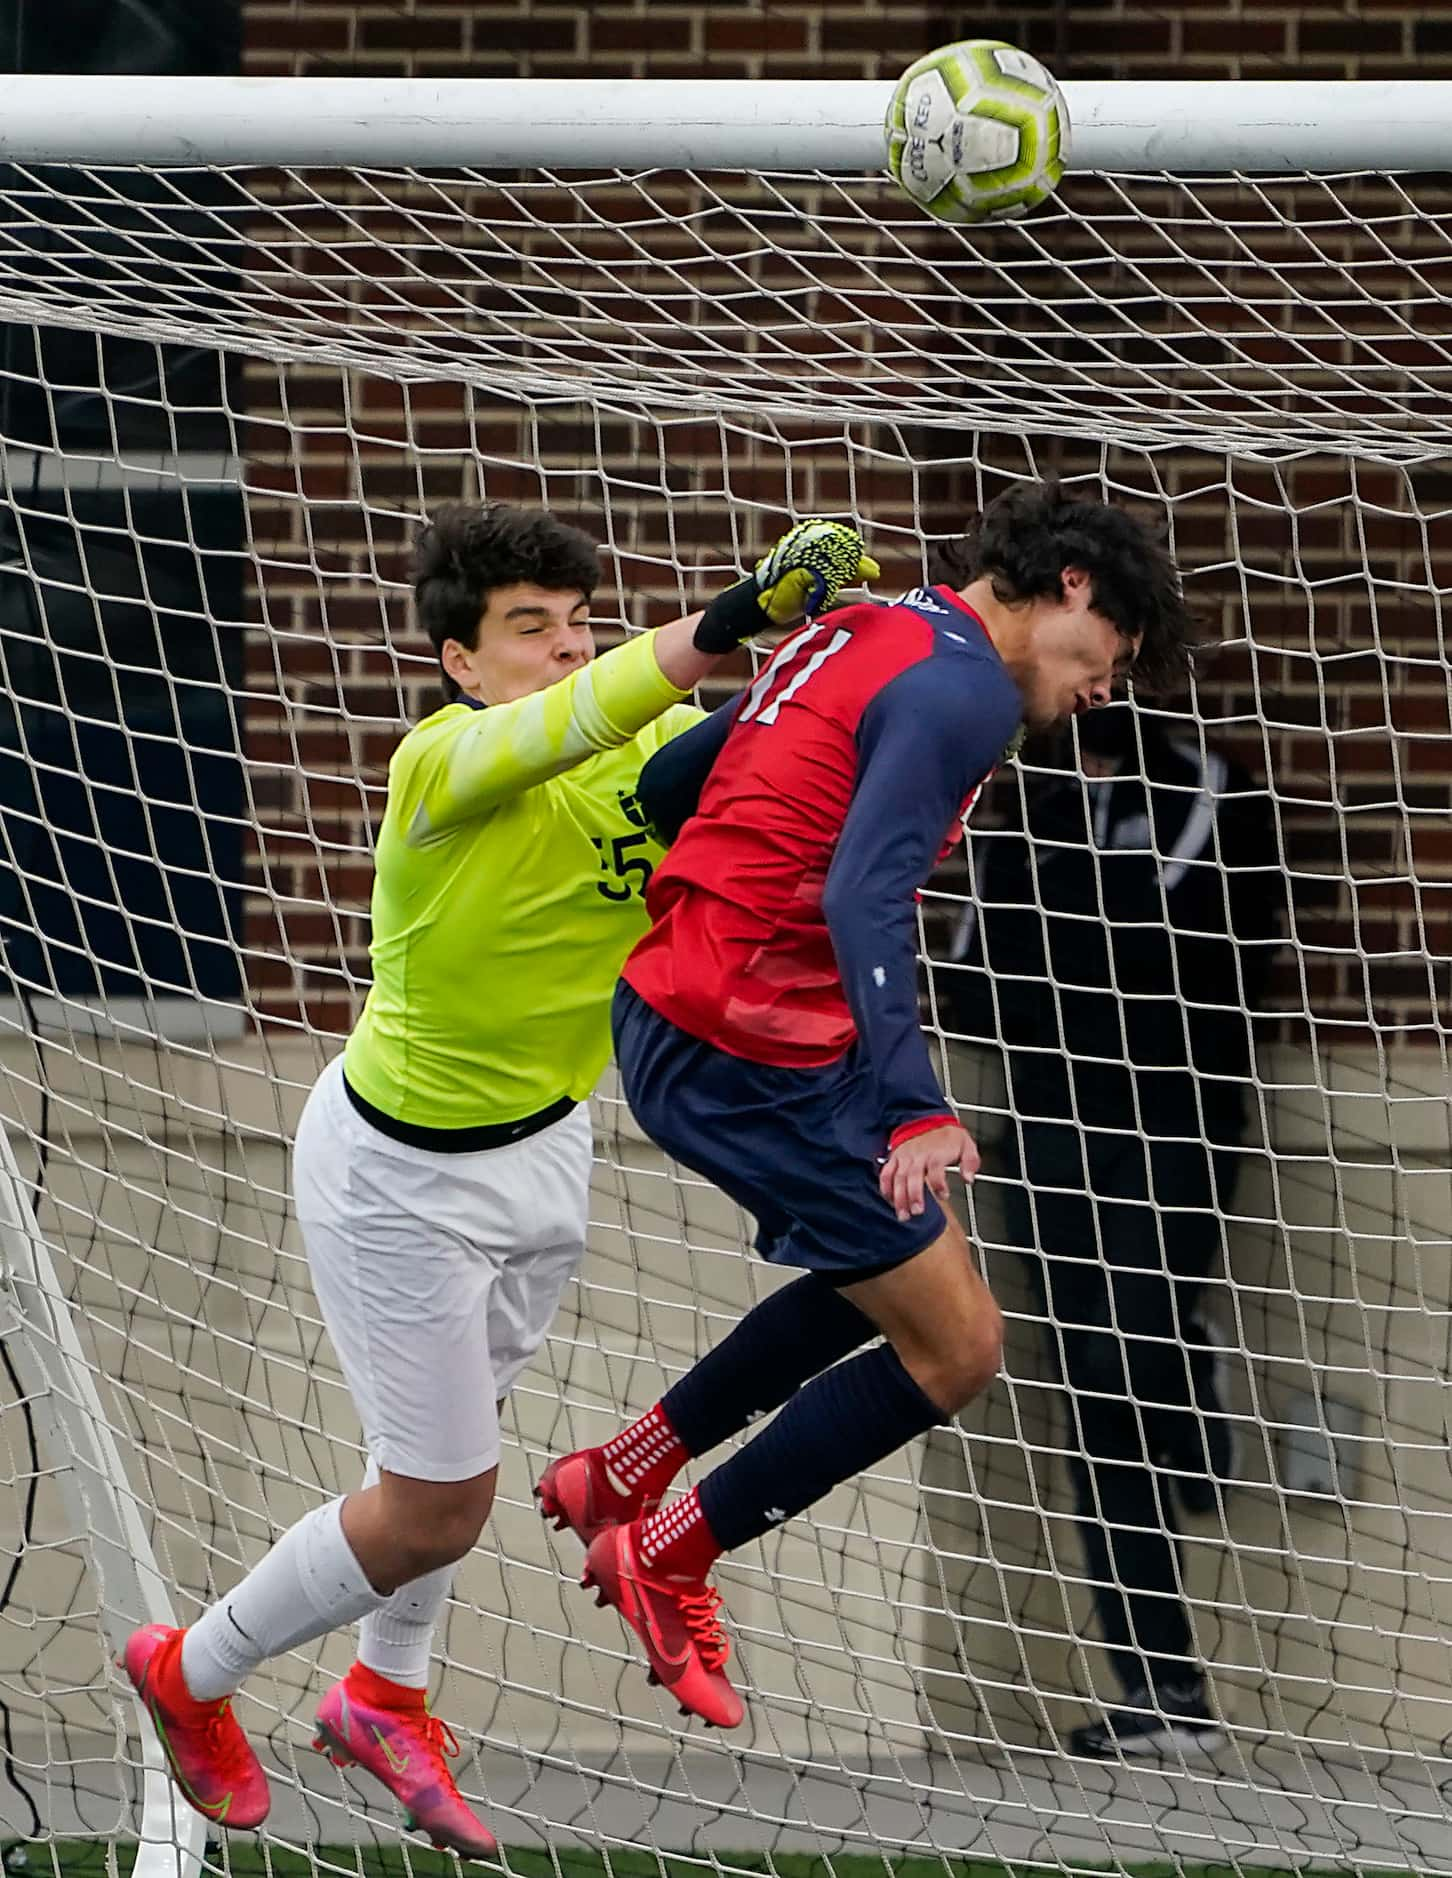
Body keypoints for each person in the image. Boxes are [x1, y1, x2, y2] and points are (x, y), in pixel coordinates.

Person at [120, 502, 878, 1849]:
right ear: (461, 660)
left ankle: (383, 1692)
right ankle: (192, 1670)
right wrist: (729, 623)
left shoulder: (639, 735)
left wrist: (850, 659)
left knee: (433, 1478)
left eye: (577, 624)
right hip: (397, 1177)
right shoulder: (444, 758)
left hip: (546, 1149)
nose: (562, 649)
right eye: (529, 628)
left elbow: (725, 751)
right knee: (439, 1498)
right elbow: (569, 726)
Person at [534, 480, 1197, 1730]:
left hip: (717, 1013)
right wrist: (912, 1109)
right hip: (745, 1042)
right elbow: (860, 901)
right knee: (959, 1349)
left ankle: (616, 1472)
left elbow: (676, 781)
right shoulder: (965, 695)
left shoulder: (871, 627)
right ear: (1071, 589)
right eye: (1118, 650)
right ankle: (670, 1548)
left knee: (896, 1277)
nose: (1112, 684)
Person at [944, 700, 1283, 1758]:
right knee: (1092, 1388)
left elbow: (1201, 954)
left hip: (1171, 1124)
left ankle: (1187, 1358)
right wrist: (1081, 930)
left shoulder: (1211, 794)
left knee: (1133, 1359)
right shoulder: (1022, 808)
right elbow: (973, 974)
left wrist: (1071, 930)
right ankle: (1160, 1692)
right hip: (1046, 1129)